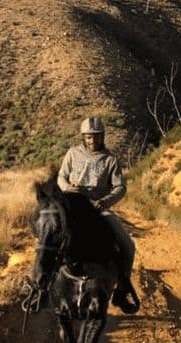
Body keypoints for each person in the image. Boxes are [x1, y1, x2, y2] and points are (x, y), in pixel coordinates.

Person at [57, 117, 136, 311]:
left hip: (98, 209)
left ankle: (121, 290)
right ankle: (39, 287)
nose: (93, 141)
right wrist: (68, 188)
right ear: (83, 137)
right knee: (48, 237)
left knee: (127, 245)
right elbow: (61, 176)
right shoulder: (73, 154)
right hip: (72, 206)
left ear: (103, 136)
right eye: (89, 137)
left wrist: (105, 201)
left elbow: (120, 187)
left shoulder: (110, 160)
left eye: (96, 137)